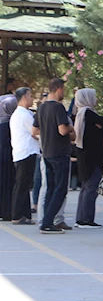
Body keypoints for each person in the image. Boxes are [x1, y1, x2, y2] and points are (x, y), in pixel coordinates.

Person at [33, 78, 75, 234]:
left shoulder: (42, 107)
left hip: (47, 152)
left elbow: (34, 130)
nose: (64, 93)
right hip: (59, 152)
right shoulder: (58, 107)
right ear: (58, 89)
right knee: (60, 189)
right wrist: (71, 127)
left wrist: (47, 130)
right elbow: (62, 130)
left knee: (50, 188)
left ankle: (46, 221)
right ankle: (48, 222)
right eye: (63, 89)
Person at [73, 88, 103, 228]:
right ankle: (85, 219)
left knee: (86, 187)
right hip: (92, 157)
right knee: (91, 188)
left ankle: (82, 217)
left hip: (84, 156)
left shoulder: (80, 113)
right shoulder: (87, 113)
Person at [10, 87, 39, 224]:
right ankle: (17, 215)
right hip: (26, 153)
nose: (32, 99)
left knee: (24, 185)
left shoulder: (24, 113)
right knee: (22, 186)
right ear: (24, 98)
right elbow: (35, 131)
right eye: (30, 96)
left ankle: (25, 214)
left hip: (24, 152)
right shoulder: (23, 115)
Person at [0, 94, 18, 221]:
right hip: (8, 157)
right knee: (9, 183)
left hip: (3, 157)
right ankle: (7, 210)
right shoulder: (8, 123)